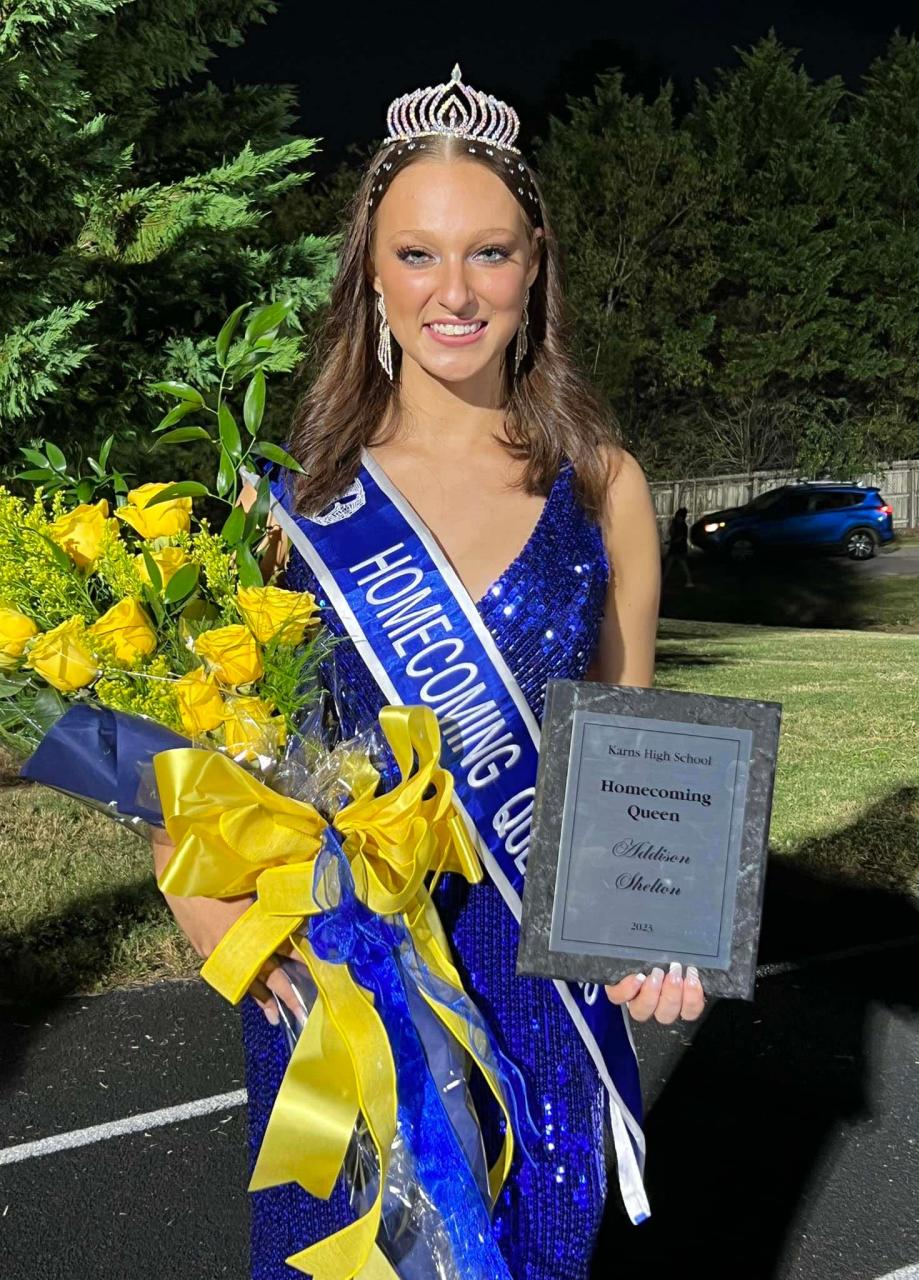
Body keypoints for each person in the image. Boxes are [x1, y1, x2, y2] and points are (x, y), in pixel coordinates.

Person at [152, 65, 705, 1280]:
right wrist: (228, 933)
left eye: (490, 254)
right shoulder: (293, 504)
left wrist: (661, 931)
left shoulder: (604, 485)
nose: (454, 293)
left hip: (538, 990)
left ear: (536, 265)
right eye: (417, 256)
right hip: (354, 987)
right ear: (370, 273)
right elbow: (200, 770)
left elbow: (634, 764)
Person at [662, 506, 695, 587]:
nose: (677, 518)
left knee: (682, 565)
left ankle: (689, 581)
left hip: (679, 548)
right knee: (669, 565)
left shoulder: (683, 526)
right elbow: (671, 533)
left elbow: (680, 538)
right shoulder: (676, 525)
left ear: (682, 518)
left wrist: (670, 542)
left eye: (679, 517)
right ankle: (662, 581)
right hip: (675, 548)